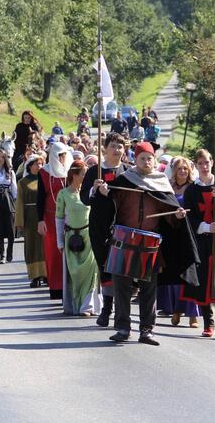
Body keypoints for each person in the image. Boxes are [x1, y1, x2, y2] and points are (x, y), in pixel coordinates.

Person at [95, 142, 199, 346]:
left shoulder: (161, 183)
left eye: (149, 158)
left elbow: (169, 216)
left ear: (154, 160)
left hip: (151, 241)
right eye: (142, 158)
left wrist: (177, 216)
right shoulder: (125, 180)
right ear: (136, 159)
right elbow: (110, 205)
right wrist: (105, 193)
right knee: (121, 286)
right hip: (123, 239)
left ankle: (146, 330)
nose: (146, 161)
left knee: (149, 288)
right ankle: (123, 328)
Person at [180, 149, 215, 339]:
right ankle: (208, 322)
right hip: (201, 242)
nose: (204, 167)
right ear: (195, 165)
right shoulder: (192, 191)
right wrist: (204, 227)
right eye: (200, 163)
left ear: (212, 162)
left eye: (207, 163)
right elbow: (189, 218)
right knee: (203, 280)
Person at [81, 132, 128, 328]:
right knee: (104, 265)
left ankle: (118, 310)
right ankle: (106, 309)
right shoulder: (94, 172)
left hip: (121, 226)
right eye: (113, 146)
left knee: (119, 268)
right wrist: (94, 190)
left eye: (120, 147)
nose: (116, 150)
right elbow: (84, 198)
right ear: (105, 148)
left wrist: (113, 195)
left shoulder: (127, 172)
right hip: (99, 226)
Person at [156, 156, 200, 327]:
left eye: (185, 169)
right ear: (174, 171)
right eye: (179, 169)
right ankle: (175, 310)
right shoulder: (168, 188)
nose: (182, 171)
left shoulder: (194, 189)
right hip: (172, 237)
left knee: (190, 275)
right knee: (174, 276)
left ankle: (192, 314)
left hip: (190, 236)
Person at [56, 160, 102, 316]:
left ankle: (88, 306)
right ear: (74, 175)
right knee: (75, 274)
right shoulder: (63, 194)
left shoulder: (90, 192)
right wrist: (60, 240)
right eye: (83, 174)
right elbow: (59, 218)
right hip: (71, 238)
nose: (86, 176)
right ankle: (76, 303)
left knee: (91, 273)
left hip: (89, 237)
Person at [37, 142, 73, 299]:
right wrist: (40, 220)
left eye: (64, 155)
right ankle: (56, 288)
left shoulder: (72, 170)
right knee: (53, 253)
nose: (62, 158)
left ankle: (71, 287)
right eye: (59, 155)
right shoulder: (45, 172)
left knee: (72, 251)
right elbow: (39, 198)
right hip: (50, 218)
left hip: (71, 217)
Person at [15, 154, 47, 286]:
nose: (39, 166)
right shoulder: (23, 182)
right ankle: (35, 276)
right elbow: (20, 203)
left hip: (44, 217)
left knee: (45, 246)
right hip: (30, 218)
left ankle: (46, 274)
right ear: (29, 166)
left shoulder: (46, 179)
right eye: (36, 164)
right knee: (32, 246)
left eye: (40, 163)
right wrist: (19, 222)